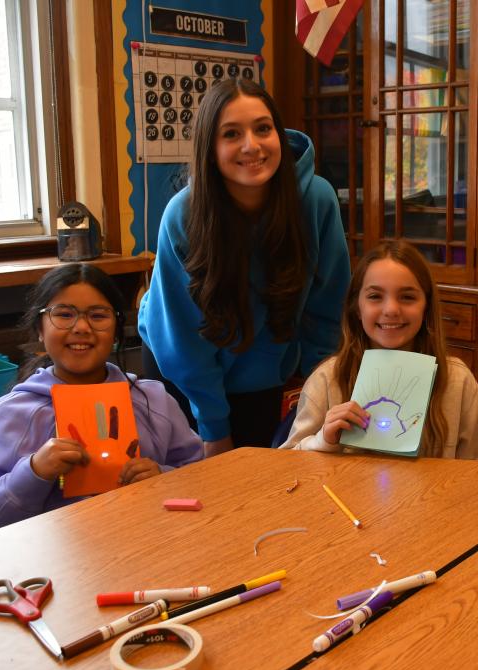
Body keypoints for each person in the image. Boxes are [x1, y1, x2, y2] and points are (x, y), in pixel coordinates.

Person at [138, 77, 350, 457]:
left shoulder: (316, 200)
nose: (251, 146)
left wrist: (320, 394)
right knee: (206, 495)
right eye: (231, 134)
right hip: (185, 374)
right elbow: (183, 338)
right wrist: (214, 427)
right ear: (211, 148)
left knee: (276, 488)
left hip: (270, 371)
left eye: (263, 129)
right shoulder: (183, 215)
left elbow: (327, 310)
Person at [0, 264, 203, 544]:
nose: (81, 327)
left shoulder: (154, 401)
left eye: (98, 315)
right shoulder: (7, 416)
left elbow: (203, 479)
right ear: (40, 330)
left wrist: (162, 479)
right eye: (64, 314)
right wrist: (33, 472)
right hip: (46, 568)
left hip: (147, 550)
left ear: (116, 331)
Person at [280, 240, 478, 460]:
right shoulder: (327, 379)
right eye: (375, 296)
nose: (391, 309)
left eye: (407, 297)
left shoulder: (457, 381)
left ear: (426, 306)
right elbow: (284, 467)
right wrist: (322, 440)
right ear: (357, 308)